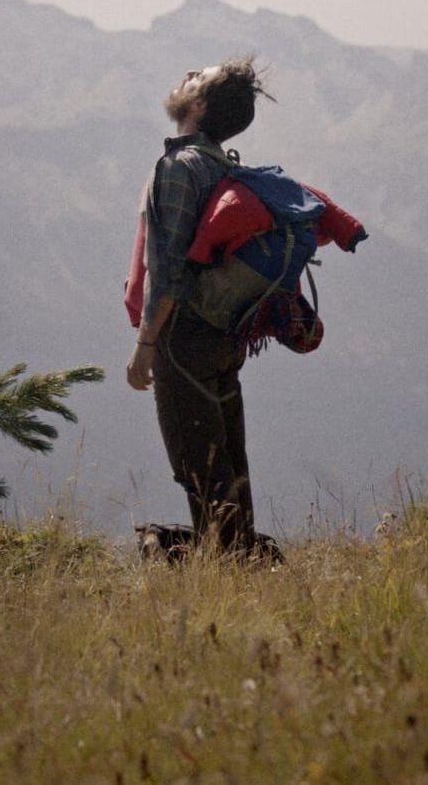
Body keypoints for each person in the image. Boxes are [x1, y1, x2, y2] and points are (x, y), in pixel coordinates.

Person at [126, 56, 274, 556]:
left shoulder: (178, 168)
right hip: (224, 338)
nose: (187, 73)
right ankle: (244, 561)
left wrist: (146, 345)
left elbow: (167, 270)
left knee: (199, 467)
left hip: (183, 336)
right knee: (230, 463)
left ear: (199, 104)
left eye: (197, 78)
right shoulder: (223, 166)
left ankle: (223, 571)